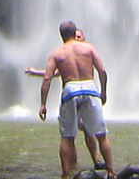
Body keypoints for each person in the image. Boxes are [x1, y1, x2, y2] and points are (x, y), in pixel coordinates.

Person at [38, 21, 114, 179]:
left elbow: (47, 78)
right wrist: (103, 92)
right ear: (75, 33)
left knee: (67, 137)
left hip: (70, 89)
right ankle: (111, 172)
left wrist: (43, 104)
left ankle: (66, 175)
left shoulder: (57, 53)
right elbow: (102, 71)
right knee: (101, 134)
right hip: (90, 88)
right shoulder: (89, 48)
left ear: (61, 36)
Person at [25, 29, 103, 172]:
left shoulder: (86, 53)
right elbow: (54, 73)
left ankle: (96, 161)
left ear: (84, 38)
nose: (77, 39)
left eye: (80, 37)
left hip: (84, 98)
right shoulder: (70, 55)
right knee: (70, 135)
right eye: (76, 36)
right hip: (72, 100)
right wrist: (35, 72)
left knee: (88, 130)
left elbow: (101, 70)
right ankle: (72, 166)